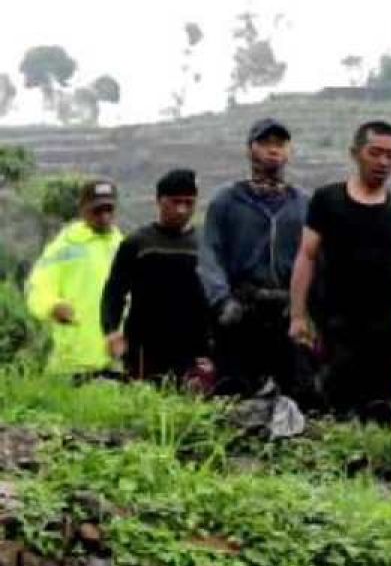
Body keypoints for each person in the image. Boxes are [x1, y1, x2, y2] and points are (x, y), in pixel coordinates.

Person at [289, 121, 391, 422]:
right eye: (375, 152)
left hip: (385, 329)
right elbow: (307, 255)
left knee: (382, 411)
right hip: (337, 324)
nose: (383, 162)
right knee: (336, 409)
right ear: (355, 153)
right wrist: (298, 316)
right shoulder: (328, 200)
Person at [197, 118, 310, 398]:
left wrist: (305, 306)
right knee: (234, 391)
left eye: (280, 144)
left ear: (288, 151)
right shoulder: (227, 200)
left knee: (296, 392)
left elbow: (314, 258)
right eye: (265, 144)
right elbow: (210, 253)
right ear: (250, 150)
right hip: (242, 308)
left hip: (286, 309)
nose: (274, 150)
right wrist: (222, 300)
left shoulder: (302, 203)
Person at [100, 169, 210, 383]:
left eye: (188, 203)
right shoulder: (138, 244)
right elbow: (114, 291)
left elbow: (214, 298)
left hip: (192, 350)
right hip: (145, 347)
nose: (181, 210)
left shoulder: (204, 245)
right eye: (175, 202)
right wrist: (112, 331)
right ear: (159, 201)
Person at [26, 179, 123, 378]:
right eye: (97, 211)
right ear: (83, 210)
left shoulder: (122, 245)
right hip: (72, 366)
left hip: (115, 362)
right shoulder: (64, 247)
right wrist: (53, 306)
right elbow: (38, 288)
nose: (104, 217)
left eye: (109, 210)